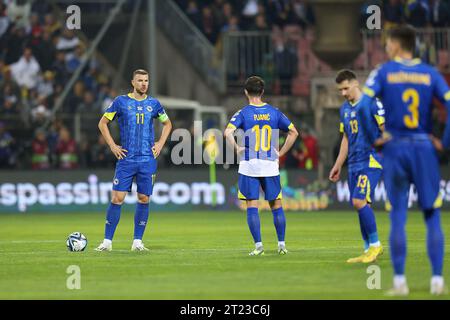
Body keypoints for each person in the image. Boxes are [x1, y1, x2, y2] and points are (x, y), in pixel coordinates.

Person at [359, 25, 450, 296]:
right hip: (423, 147)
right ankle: (437, 281)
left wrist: (373, 137)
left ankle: (400, 282)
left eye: (388, 44)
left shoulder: (384, 72)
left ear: (397, 45)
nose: (386, 48)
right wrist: (443, 142)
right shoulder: (430, 73)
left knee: (398, 215)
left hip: (395, 147)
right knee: (431, 213)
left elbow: (363, 105)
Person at [95, 69, 172, 252]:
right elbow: (102, 123)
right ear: (132, 82)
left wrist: (160, 144)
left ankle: (137, 242)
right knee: (117, 198)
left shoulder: (154, 104)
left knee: (144, 198)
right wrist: (113, 146)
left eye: (146, 80)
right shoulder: (121, 102)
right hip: (127, 159)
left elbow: (167, 124)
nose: (144, 83)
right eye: (140, 80)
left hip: (147, 159)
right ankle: (107, 242)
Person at [224, 76, 299, 255]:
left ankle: (259, 247)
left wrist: (236, 148)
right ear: (263, 92)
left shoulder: (243, 113)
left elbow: (227, 132)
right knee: (276, 205)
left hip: (249, 164)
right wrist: (281, 152)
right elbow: (294, 132)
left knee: (252, 205)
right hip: (269, 164)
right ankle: (281, 245)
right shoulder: (274, 112)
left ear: (245, 92)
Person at [329, 70, 385, 264]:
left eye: (346, 88)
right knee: (361, 204)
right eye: (340, 90)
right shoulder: (344, 109)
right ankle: (367, 250)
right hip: (353, 162)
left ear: (356, 84)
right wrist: (338, 164)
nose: (343, 93)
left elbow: (386, 129)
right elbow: (345, 138)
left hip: (371, 159)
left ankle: (376, 245)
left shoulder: (372, 103)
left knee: (358, 201)